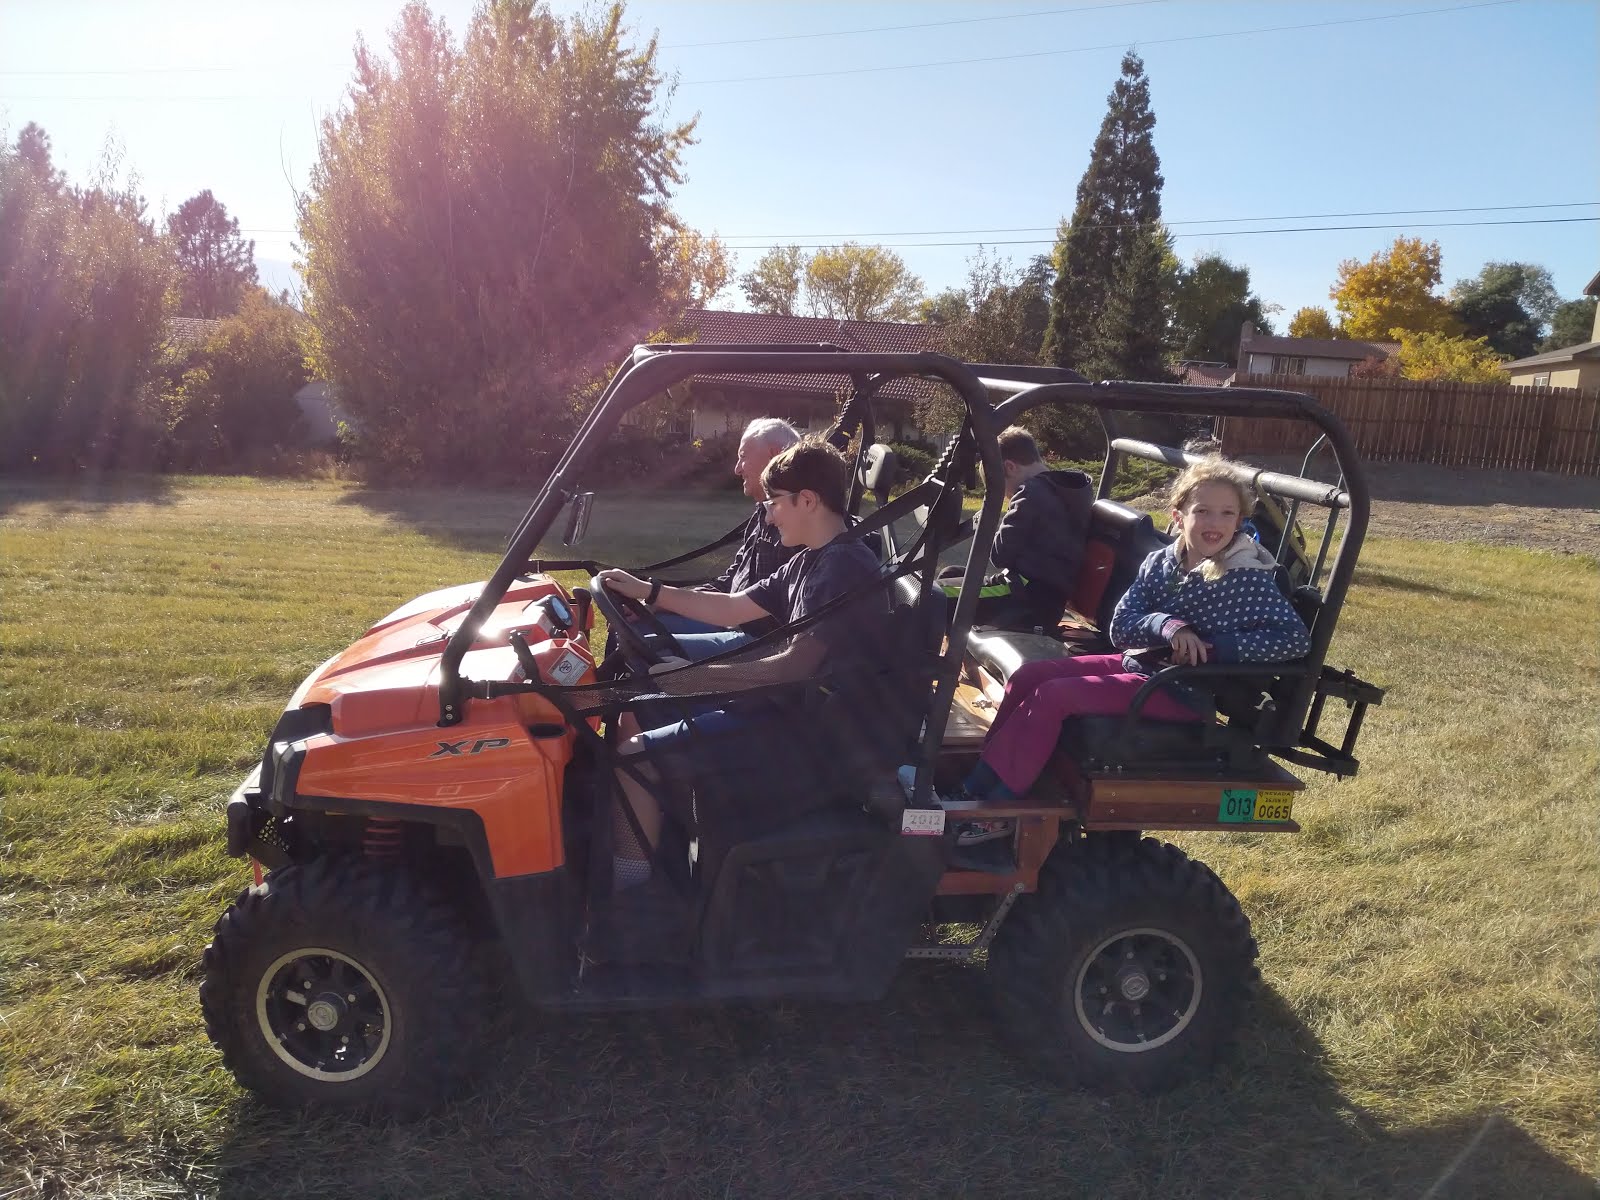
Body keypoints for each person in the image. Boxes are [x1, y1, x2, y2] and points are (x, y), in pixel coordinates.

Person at [910, 455, 1312, 858]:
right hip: (1142, 666)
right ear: (1178, 516)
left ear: (1239, 522)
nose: (1215, 522)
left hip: (1183, 690)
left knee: (1054, 697)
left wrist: (1216, 649)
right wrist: (1167, 626)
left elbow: (1294, 639)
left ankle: (996, 813)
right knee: (1029, 678)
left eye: (1227, 513)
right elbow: (1122, 625)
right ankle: (978, 784)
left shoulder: (1244, 578)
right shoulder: (1162, 563)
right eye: (1202, 511)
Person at [592, 438, 887, 953]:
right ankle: (655, 860)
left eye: (775, 503)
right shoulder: (813, 559)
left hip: (811, 739)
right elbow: (732, 608)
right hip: (794, 714)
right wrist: (647, 591)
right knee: (639, 712)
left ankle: (632, 906)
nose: (768, 516)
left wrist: (692, 678)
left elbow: (792, 668)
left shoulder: (841, 570)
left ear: (808, 500)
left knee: (635, 756)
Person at [647, 417, 802, 653]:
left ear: (774, 455)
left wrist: (656, 595)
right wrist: (661, 602)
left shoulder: (797, 529)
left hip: (760, 645)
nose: (737, 468)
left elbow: (747, 610)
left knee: (648, 646)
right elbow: (728, 584)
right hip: (731, 621)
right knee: (636, 625)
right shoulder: (762, 515)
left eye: (743, 456)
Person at [941, 425, 1093, 631]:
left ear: (1010, 467)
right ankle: (953, 646)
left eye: (1002, 488)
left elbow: (999, 556)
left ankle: (936, 650)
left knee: (934, 595)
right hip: (1040, 597)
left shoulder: (1030, 494)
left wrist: (992, 520)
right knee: (949, 574)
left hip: (1025, 600)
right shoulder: (1063, 491)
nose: (1006, 497)